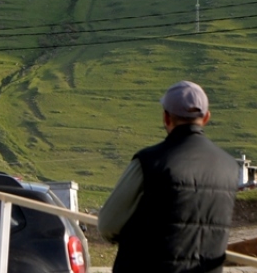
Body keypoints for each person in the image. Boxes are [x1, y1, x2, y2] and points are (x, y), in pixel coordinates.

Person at [98, 80, 237, 273]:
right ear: (206, 117)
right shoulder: (230, 167)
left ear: (166, 117)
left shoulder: (148, 162)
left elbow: (107, 224)